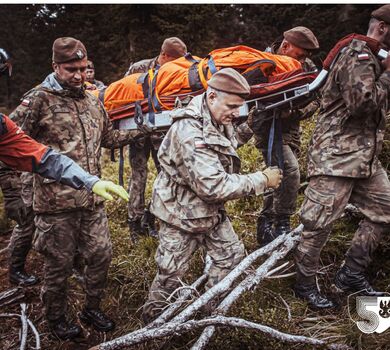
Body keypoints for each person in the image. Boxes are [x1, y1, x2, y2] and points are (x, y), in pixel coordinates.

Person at [10, 37, 145, 340]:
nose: (79, 75)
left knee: (101, 254)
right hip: (55, 204)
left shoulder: (93, 99)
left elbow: (109, 138)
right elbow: (13, 145)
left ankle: (91, 307)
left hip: (92, 199)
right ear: (55, 66)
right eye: (71, 69)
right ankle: (55, 318)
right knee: (58, 265)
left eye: (83, 69)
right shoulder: (38, 99)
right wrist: (16, 192)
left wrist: (143, 130)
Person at [142, 68, 283, 323]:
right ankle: (154, 326)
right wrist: (262, 179)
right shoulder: (189, 131)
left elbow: (220, 145)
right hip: (181, 215)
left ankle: (207, 313)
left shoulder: (215, 117)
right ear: (211, 97)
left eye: (240, 108)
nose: (236, 113)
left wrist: (248, 127)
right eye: (232, 106)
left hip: (211, 213)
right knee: (170, 274)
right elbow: (213, 186)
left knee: (231, 258)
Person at [294, 5, 390, 310]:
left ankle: (351, 273)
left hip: (364, 161)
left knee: (384, 209)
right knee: (317, 223)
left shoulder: (375, 58)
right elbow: (362, 104)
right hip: (336, 158)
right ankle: (303, 285)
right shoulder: (357, 54)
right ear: (383, 29)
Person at [0, 113, 128, 286]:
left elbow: (45, 158)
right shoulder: (39, 98)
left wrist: (90, 181)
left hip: (74, 188)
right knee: (27, 227)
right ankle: (16, 269)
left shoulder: (2, 124)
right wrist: (12, 194)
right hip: (42, 191)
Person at [239, 27, 320, 247]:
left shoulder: (306, 66)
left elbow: (316, 98)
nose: (302, 60)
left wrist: (295, 112)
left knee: (278, 175)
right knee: (290, 170)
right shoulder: (263, 63)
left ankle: (267, 225)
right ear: (285, 46)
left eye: (305, 57)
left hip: (291, 131)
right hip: (267, 128)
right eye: (299, 55)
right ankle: (282, 222)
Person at [125, 37, 187, 239]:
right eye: (176, 60)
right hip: (138, 133)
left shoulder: (176, 71)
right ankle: (135, 222)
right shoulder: (138, 68)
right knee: (138, 177)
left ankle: (152, 216)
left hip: (162, 134)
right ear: (165, 55)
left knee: (166, 175)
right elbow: (123, 94)